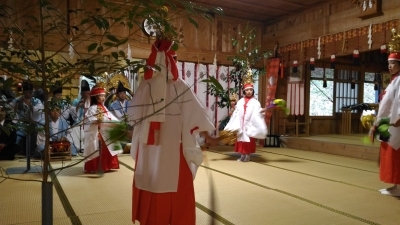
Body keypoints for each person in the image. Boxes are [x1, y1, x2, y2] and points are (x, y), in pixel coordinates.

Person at [128, 39, 219, 225]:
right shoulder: (179, 87)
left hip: (150, 150)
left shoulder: (146, 86)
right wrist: (207, 135)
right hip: (172, 151)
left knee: (150, 181)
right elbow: (196, 116)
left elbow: (133, 118)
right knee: (173, 185)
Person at [369, 50, 400, 197]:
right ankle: (395, 185)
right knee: (389, 156)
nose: (390, 66)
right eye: (388, 63)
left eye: (393, 63)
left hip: (395, 123)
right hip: (387, 122)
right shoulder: (394, 80)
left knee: (396, 155)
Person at [223, 69, 268, 162]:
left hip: (249, 124)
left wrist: (265, 109)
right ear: (244, 91)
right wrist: (232, 110)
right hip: (241, 123)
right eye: (247, 90)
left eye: (251, 90)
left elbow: (258, 111)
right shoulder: (240, 101)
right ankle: (242, 154)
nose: (249, 92)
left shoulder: (255, 102)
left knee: (248, 140)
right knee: (241, 140)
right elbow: (236, 110)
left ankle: (248, 155)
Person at [83, 83, 122, 173]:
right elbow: (90, 119)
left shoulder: (104, 107)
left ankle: (107, 165)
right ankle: (96, 166)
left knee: (109, 146)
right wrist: (97, 120)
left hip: (105, 130)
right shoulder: (92, 108)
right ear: (95, 97)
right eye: (101, 96)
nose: (103, 98)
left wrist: (117, 123)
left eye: (104, 96)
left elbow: (110, 117)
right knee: (97, 149)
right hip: (97, 132)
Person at [10, 80, 44, 156]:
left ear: (32, 92)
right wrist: (15, 108)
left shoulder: (36, 101)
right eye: (26, 92)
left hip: (32, 125)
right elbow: (8, 108)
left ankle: (31, 152)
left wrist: (31, 106)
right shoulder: (18, 100)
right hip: (20, 125)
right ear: (23, 92)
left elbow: (40, 110)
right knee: (18, 144)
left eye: (30, 92)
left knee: (33, 138)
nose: (28, 94)